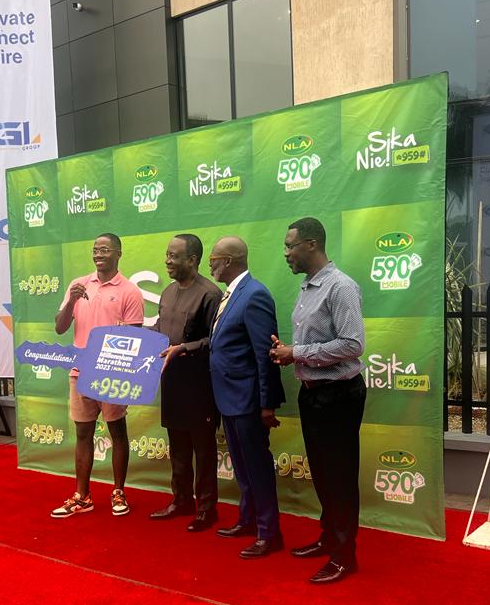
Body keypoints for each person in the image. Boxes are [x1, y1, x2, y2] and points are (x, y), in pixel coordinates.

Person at [270, 217, 366, 584]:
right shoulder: (308, 287)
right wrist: (289, 352)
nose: (286, 253)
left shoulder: (340, 287)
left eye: (289, 246)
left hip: (339, 395)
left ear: (311, 244)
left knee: (339, 476)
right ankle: (330, 538)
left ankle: (344, 556)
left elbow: (352, 344)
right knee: (324, 475)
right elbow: (316, 342)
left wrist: (297, 352)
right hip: (312, 393)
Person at [50, 233, 144, 519]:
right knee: (83, 433)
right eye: (95, 249)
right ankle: (82, 496)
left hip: (111, 374)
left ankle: (118, 491)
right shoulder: (79, 285)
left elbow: (134, 339)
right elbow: (60, 327)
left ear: (118, 253)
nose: (98, 254)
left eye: (104, 249)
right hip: (80, 373)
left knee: (117, 432)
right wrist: (71, 301)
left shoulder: (130, 291)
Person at [208, 236, 285, 558]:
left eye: (213, 259)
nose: (209, 264)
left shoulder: (254, 295)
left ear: (228, 261)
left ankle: (269, 534)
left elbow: (265, 354)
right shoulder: (230, 295)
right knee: (242, 467)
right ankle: (248, 520)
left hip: (248, 400)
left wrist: (266, 404)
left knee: (257, 468)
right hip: (228, 397)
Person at [151, 234, 223, 532]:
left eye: (174, 256)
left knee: (203, 450)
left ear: (192, 260)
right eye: (167, 255)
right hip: (172, 384)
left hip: (200, 386)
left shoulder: (210, 294)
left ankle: (207, 509)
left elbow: (217, 341)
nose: (167, 261)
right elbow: (159, 330)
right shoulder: (167, 292)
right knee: (178, 447)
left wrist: (184, 348)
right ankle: (181, 501)